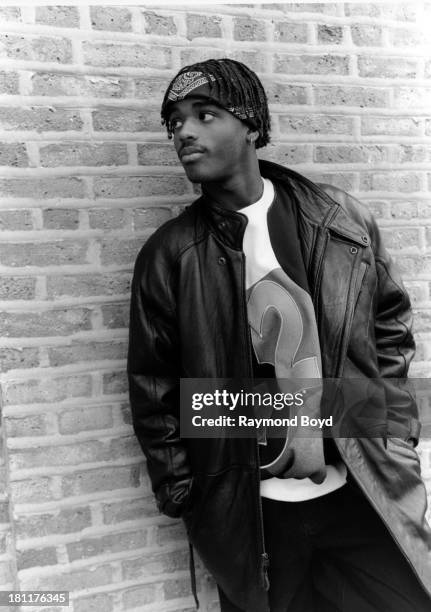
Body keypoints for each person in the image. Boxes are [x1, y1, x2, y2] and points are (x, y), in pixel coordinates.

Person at [127, 58, 431, 612]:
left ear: (250, 125)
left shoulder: (340, 221)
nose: (185, 132)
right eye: (174, 123)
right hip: (254, 516)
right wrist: (184, 495)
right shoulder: (171, 255)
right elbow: (153, 387)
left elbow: (390, 332)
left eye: (206, 114)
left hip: (361, 495)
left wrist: (393, 440)